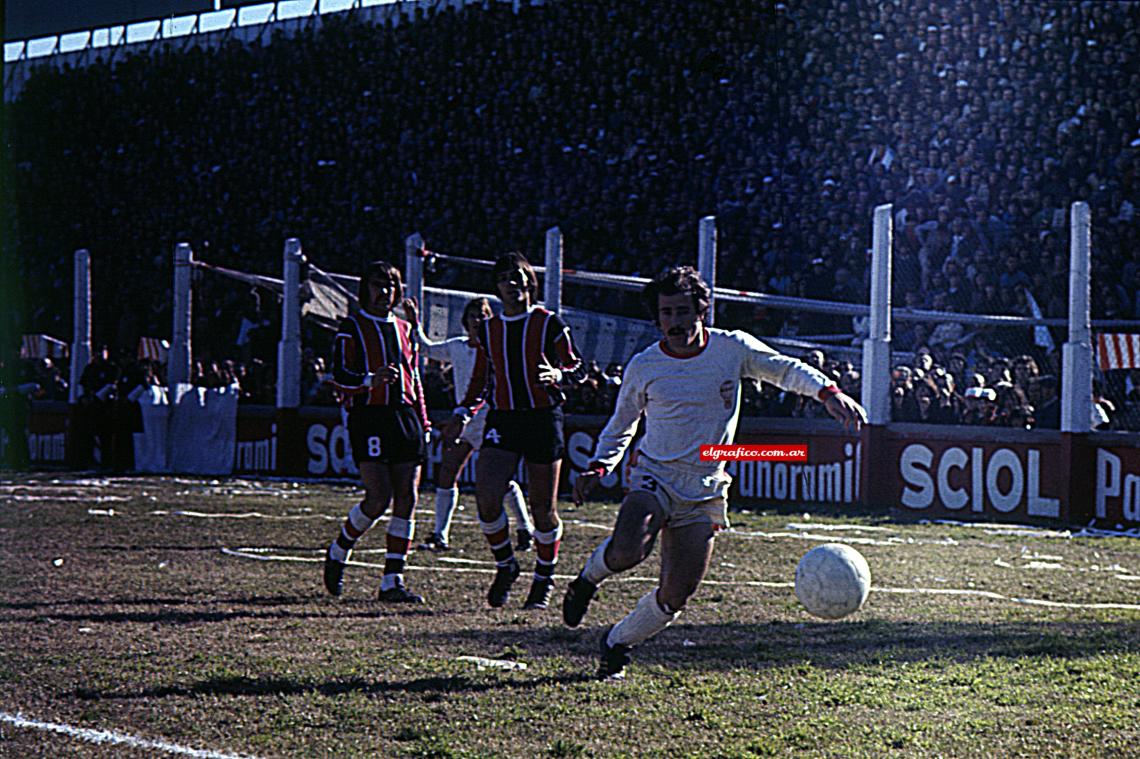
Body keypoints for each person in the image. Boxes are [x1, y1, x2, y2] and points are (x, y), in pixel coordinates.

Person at [563, 266, 867, 680]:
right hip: (654, 474)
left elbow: (783, 369)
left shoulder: (731, 349)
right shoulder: (645, 364)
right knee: (630, 551)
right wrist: (601, 464)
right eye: (666, 313)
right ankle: (586, 579)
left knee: (675, 596)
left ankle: (616, 643)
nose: (675, 321)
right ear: (657, 317)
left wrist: (827, 392)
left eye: (683, 311)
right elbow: (622, 423)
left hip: (705, 486)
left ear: (701, 312)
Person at [441, 252, 584, 610]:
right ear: (497, 286)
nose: (513, 283)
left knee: (543, 509)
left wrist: (560, 375)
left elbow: (578, 367)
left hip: (542, 419)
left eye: (519, 276)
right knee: (487, 497)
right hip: (503, 419)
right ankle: (506, 564)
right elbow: (479, 380)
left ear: (530, 283)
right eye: (505, 277)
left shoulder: (549, 323)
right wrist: (461, 412)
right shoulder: (489, 330)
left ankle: (544, 577)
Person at [322, 261, 430, 603]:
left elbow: (415, 378)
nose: (385, 291)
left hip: (405, 417)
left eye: (391, 285)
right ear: (365, 289)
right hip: (369, 416)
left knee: (408, 498)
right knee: (378, 497)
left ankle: (392, 581)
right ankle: (339, 551)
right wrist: (370, 380)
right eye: (377, 284)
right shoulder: (351, 327)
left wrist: (423, 421)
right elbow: (338, 375)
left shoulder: (405, 328)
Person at [404, 295, 535, 552]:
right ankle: (440, 535)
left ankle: (524, 527)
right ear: (465, 321)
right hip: (463, 421)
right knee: (447, 472)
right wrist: (414, 322)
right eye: (473, 316)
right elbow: (426, 347)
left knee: (499, 480)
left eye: (482, 315)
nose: (477, 321)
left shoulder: (496, 350)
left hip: (491, 422)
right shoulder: (457, 346)